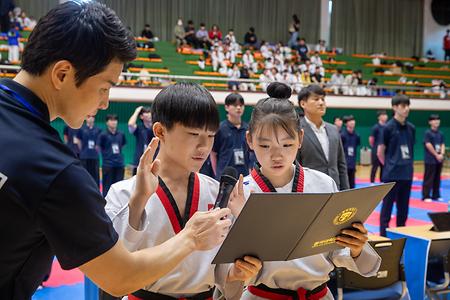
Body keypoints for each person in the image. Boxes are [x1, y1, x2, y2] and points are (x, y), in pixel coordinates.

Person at [0, 3, 232, 298]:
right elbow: (119, 277)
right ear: (62, 74)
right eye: (105, 87)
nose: (106, 102)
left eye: (209, 136)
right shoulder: (56, 171)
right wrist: (191, 237)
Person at [106, 82, 262, 300]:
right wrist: (139, 200)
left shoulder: (216, 191)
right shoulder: (123, 192)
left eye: (210, 136)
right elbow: (114, 267)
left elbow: (216, 266)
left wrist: (233, 272)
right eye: (193, 134)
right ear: (160, 131)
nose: (204, 146)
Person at [234, 82, 380, 300]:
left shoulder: (323, 184)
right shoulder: (240, 193)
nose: (277, 155)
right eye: (265, 146)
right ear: (249, 140)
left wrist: (356, 248)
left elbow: (338, 249)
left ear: (300, 139)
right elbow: (227, 271)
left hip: (319, 295)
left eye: (287, 145)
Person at [297, 85, 350, 190]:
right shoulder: (296, 130)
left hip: (334, 189)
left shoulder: (333, 129)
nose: (321, 103)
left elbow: (341, 164)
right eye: (316, 99)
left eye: (323, 99)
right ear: (303, 104)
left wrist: (345, 191)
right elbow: (295, 167)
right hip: (309, 191)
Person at [377, 95, 415, 236]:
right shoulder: (387, 128)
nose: (406, 109)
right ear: (394, 107)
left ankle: (401, 235)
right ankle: (383, 236)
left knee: (403, 210)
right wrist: (389, 166)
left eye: (407, 105)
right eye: (403, 106)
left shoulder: (411, 128)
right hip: (392, 174)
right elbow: (380, 152)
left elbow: (410, 150)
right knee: (387, 208)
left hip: (407, 174)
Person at [211, 93, 253, 179]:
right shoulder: (220, 128)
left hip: (244, 176)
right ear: (226, 107)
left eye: (241, 105)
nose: (238, 108)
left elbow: (251, 153)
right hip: (224, 176)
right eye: (235, 105)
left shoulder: (248, 129)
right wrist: (217, 173)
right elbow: (213, 153)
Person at [97, 114, 126, 196]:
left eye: (115, 120)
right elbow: (98, 147)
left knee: (119, 187)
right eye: (111, 120)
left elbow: (123, 145)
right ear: (107, 122)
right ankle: (105, 206)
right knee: (107, 187)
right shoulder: (103, 135)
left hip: (119, 164)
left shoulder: (121, 134)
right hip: (107, 165)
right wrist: (107, 155)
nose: (113, 122)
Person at [422, 114, 445, 202]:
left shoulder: (440, 133)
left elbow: (442, 144)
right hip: (430, 159)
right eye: (434, 120)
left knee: (437, 177)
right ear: (430, 122)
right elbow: (428, 144)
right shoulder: (428, 133)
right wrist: (436, 155)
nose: (436, 122)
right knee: (429, 177)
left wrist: (442, 154)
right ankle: (426, 195)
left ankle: (436, 195)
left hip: (439, 159)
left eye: (438, 120)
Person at [128, 106, 154, 175]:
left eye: (150, 112)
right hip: (139, 161)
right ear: (141, 117)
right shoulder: (139, 128)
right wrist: (137, 111)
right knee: (136, 183)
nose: (149, 114)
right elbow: (130, 124)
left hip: (153, 161)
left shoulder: (156, 128)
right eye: (146, 112)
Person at [76, 115, 102, 186]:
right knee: (84, 175)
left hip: (95, 156)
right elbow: (78, 141)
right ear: (86, 118)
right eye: (88, 117)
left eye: (92, 117)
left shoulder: (98, 129)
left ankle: (96, 192)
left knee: (95, 176)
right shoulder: (81, 129)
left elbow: (100, 142)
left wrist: (97, 151)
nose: (90, 118)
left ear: (94, 118)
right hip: (84, 156)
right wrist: (83, 150)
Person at [341, 115, 361, 189]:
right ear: (346, 123)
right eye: (350, 121)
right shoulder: (342, 135)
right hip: (344, 163)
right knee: (345, 183)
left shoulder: (357, 135)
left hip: (352, 163)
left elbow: (357, 145)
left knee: (352, 183)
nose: (352, 122)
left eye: (353, 120)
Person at [369, 110, 388, 183]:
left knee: (383, 167)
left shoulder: (387, 126)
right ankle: (372, 182)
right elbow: (371, 139)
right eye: (383, 115)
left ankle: (382, 182)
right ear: (379, 117)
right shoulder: (376, 127)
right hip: (376, 150)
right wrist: (376, 147)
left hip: (385, 151)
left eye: (385, 115)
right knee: (375, 167)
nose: (385, 116)